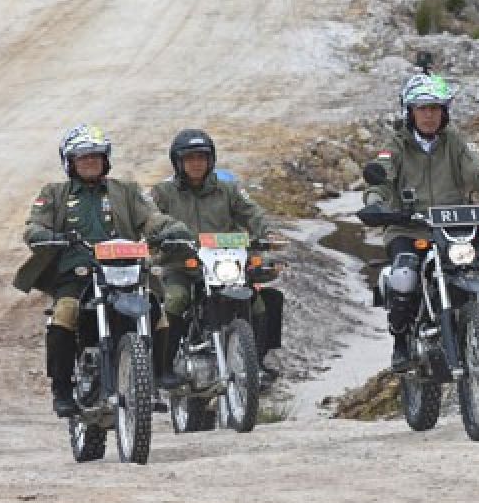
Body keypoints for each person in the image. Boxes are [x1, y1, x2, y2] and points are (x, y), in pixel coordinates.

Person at [17, 124, 192, 418]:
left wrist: (171, 228)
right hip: (77, 271)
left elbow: (151, 219)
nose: (90, 162)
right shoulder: (54, 193)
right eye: (83, 157)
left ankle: (160, 374)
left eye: (96, 156)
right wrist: (42, 234)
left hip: (124, 268)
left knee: (155, 308)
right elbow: (35, 225)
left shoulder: (126, 190)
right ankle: (61, 389)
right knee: (65, 312)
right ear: (69, 162)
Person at [363, 73, 479, 371]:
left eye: (435, 108)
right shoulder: (397, 145)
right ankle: (401, 341)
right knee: (404, 277)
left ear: (444, 112)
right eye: (422, 108)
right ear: (410, 112)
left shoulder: (455, 142)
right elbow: (381, 173)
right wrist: (376, 203)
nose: (429, 115)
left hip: (454, 227)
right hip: (407, 227)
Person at [150, 129, 284, 389]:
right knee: (176, 300)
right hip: (182, 265)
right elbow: (149, 218)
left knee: (258, 300)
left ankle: (256, 361)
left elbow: (253, 213)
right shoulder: (163, 193)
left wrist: (265, 235)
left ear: (211, 160)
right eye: (190, 158)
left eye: (202, 157)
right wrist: (162, 237)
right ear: (178, 162)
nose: (196, 163)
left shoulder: (228, 190)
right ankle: (163, 367)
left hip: (225, 264)